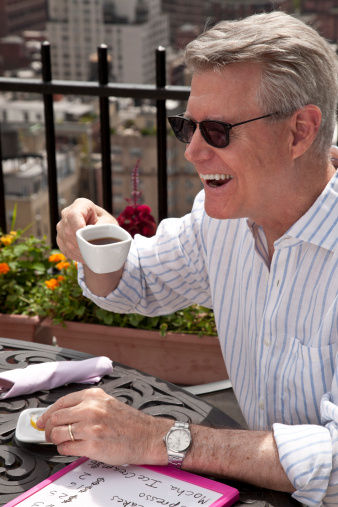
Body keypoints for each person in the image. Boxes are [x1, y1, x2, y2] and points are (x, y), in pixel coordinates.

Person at [37, 11, 338, 506]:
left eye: (218, 131)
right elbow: (138, 284)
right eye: (188, 127)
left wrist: (160, 438)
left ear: (300, 132)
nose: (192, 152)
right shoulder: (224, 219)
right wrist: (97, 238)